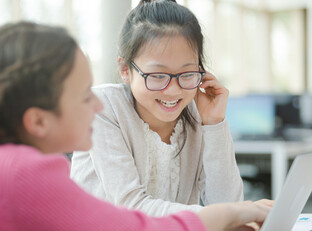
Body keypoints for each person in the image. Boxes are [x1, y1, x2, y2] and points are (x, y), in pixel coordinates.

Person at [0, 21, 271, 231]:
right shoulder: (22, 173)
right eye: (83, 95)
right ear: (37, 120)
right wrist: (233, 212)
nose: (98, 105)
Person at [71, 0, 243, 216]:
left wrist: (214, 123)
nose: (173, 91)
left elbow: (229, 208)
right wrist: (227, 216)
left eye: (187, 74)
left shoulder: (197, 112)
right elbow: (132, 208)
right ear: (125, 70)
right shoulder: (102, 107)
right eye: (158, 76)